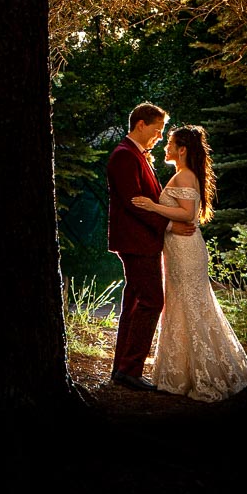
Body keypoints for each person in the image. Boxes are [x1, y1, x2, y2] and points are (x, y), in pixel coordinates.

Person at [129, 124, 247, 401]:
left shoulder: (185, 176)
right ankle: (181, 371)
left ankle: (205, 372)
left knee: (191, 304)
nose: (165, 147)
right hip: (178, 248)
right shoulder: (182, 175)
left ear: (182, 150)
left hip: (186, 249)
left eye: (170, 143)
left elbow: (188, 214)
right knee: (180, 304)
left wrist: (153, 206)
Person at [105, 103, 172, 390]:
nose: (160, 136)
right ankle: (130, 369)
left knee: (134, 304)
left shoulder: (136, 154)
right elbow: (133, 202)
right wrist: (167, 225)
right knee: (152, 301)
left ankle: (122, 368)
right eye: (158, 130)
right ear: (141, 124)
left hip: (141, 240)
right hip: (137, 241)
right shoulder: (124, 155)